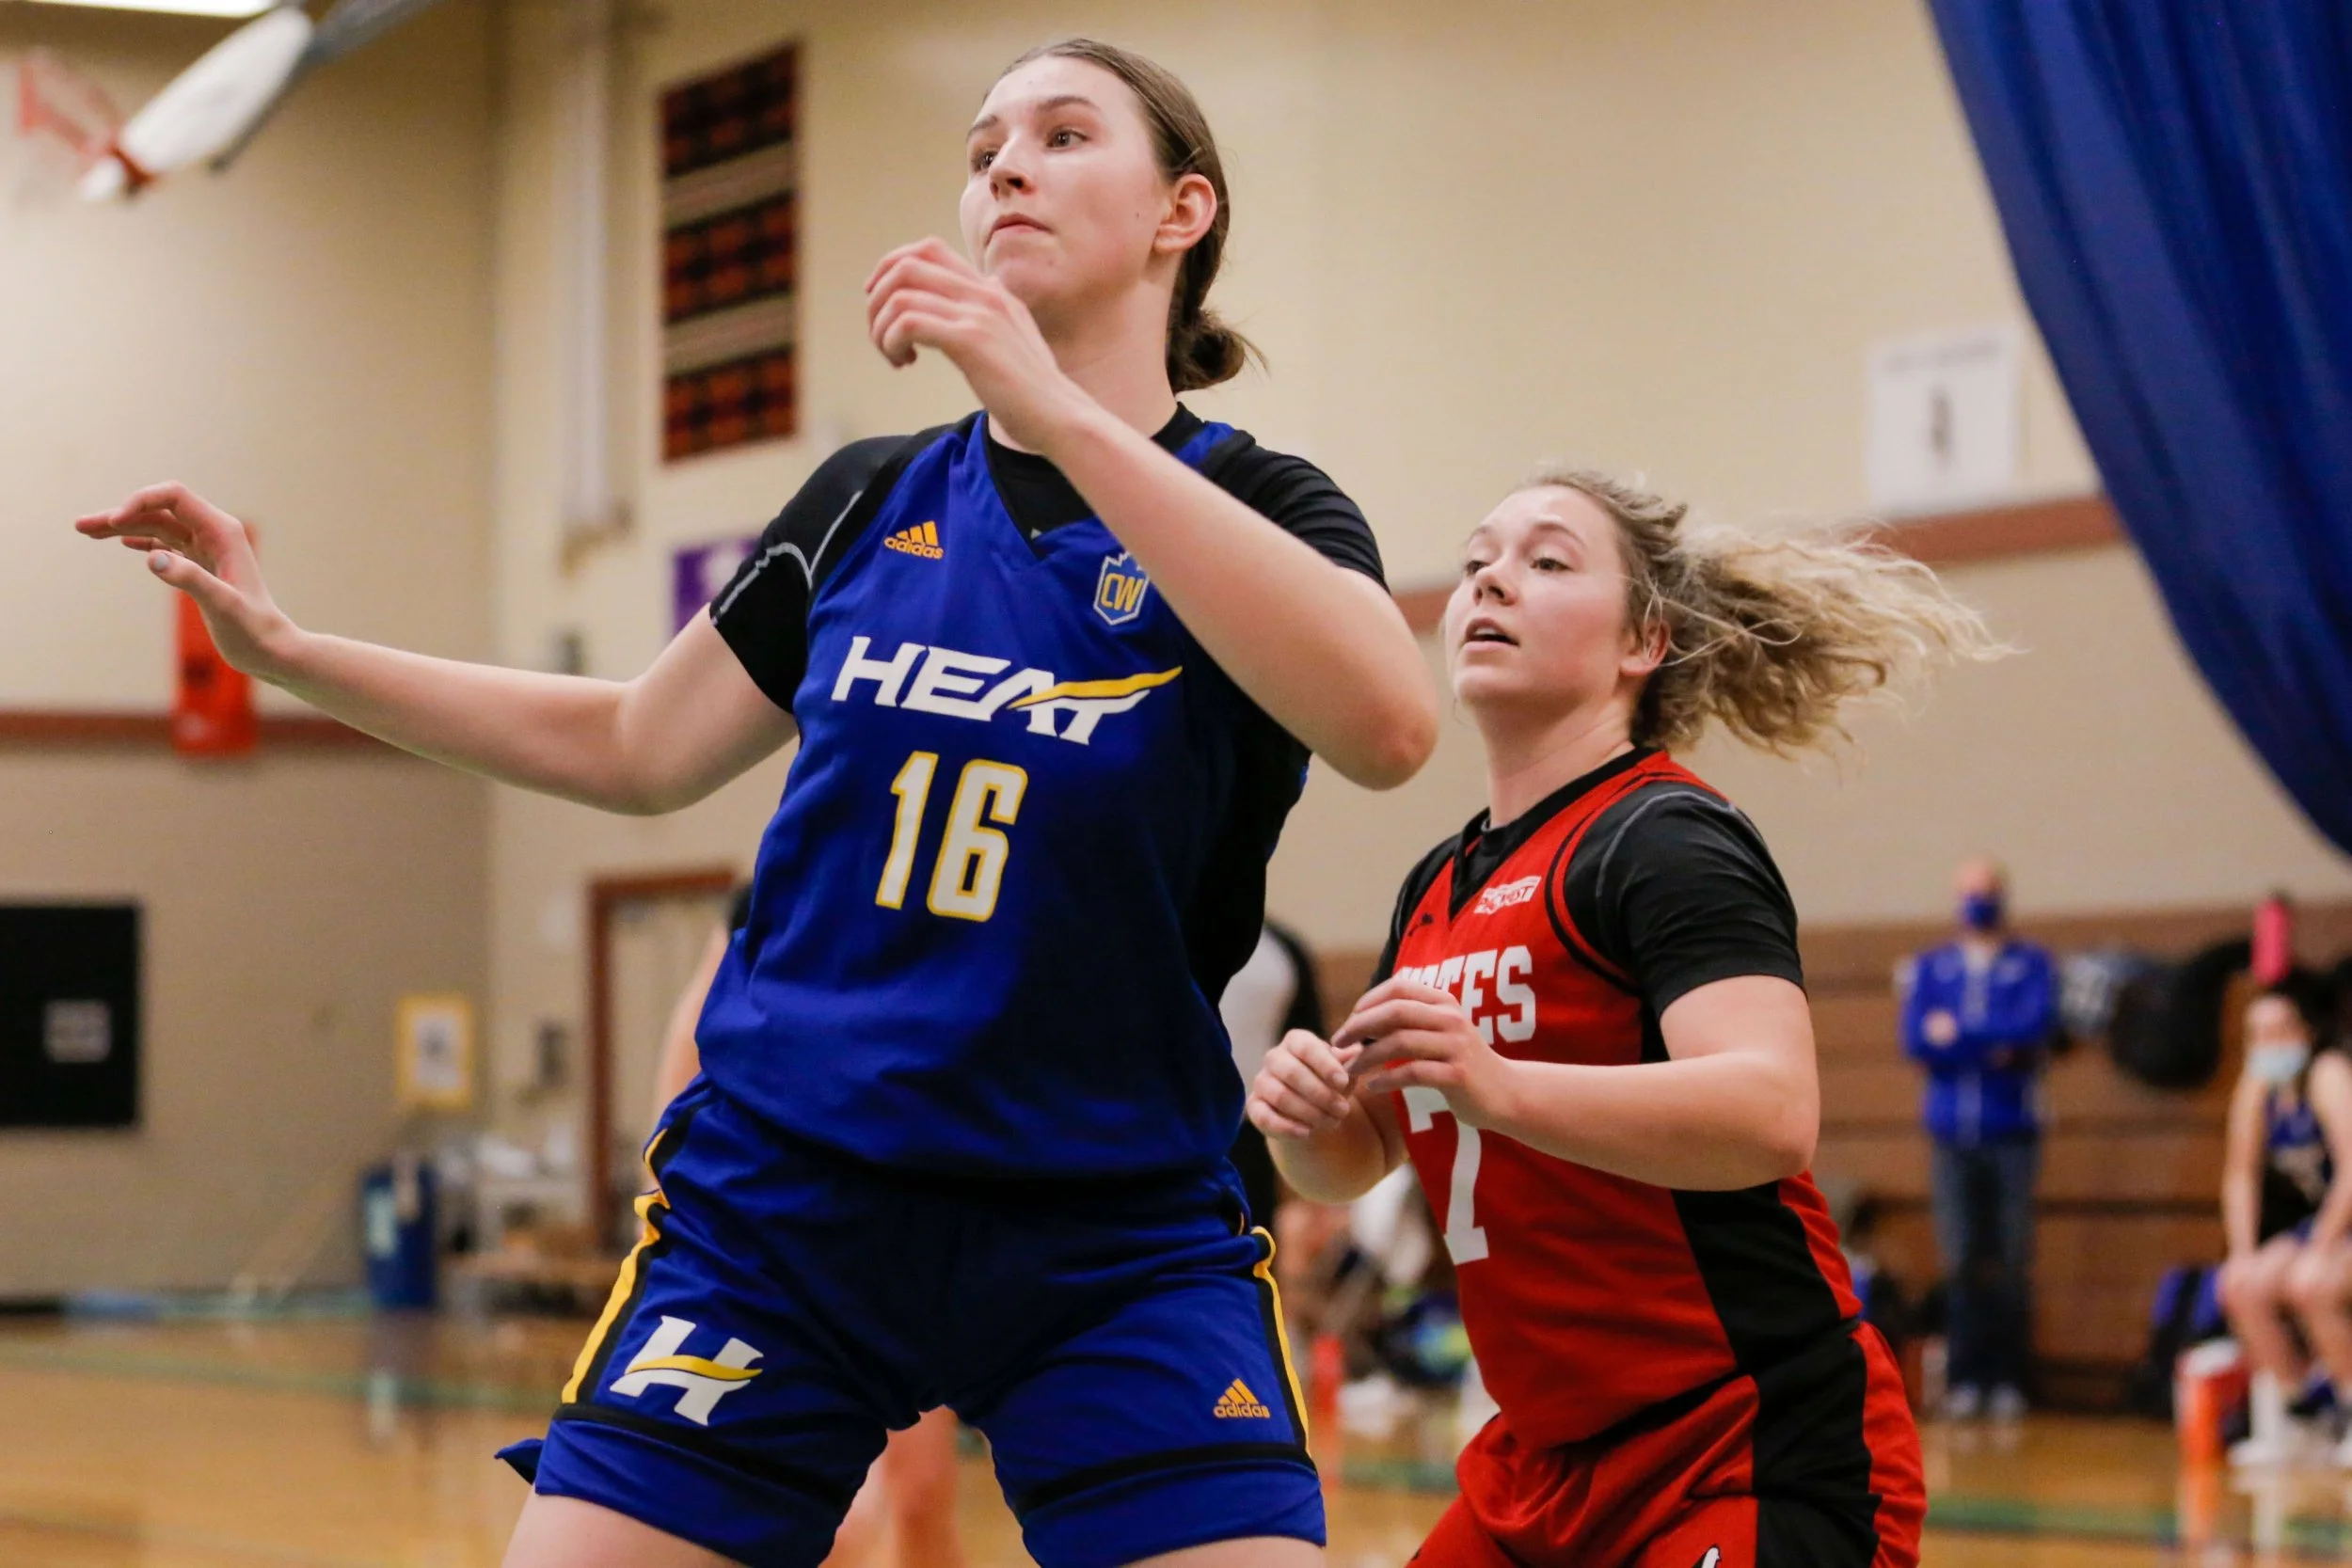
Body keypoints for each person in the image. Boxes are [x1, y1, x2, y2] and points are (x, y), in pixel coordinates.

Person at [79, 37, 1437, 1568]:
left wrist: (1059, 416)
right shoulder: (868, 498)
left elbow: (1387, 725)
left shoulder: (1265, 509)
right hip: (788, 1210)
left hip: (1110, 1227)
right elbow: (631, 747)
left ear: (1183, 213)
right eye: (986, 141)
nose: (1005, 163)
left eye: (1064, 135)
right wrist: (300, 657)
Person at [1248, 468, 1995, 1567]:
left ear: (1642, 639)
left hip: (1743, 1440)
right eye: (1475, 562)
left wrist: (1495, 1083)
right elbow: (1359, 1166)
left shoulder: (1664, 837)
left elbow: (1770, 1110)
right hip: (1541, 1460)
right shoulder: (1436, 886)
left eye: (1545, 560)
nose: (1492, 578)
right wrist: (1312, 1123)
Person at [644, 889, 965, 1567]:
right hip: (780, 1253)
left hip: (915, 1246)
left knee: (922, 1495)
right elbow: (685, 1069)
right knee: (814, 1516)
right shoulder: (774, 905)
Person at [1897, 857, 2057, 1420]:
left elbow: (2032, 1030)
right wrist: (1988, 1045)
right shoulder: (1933, 969)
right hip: (1950, 1136)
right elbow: (1918, 1040)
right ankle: (1966, 1379)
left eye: (1985, 891)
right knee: (1961, 1260)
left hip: (2012, 1133)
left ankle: (2010, 1379)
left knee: (2012, 1259)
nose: (1977, 900)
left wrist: (1960, 1034)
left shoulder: (2030, 963)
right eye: (1967, 891)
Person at [2217, 971, 2352, 1466]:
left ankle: (2348, 1406)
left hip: (2342, 1217)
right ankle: (2301, 1417)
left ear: (2307, 1031)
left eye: (2280, 1031)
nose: (2268, 1044)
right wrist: (2243, 1251)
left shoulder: (2328, 1072)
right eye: (2257, 1034)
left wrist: (2321, 1247)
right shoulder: (2260, 1084)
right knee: (2240, 1285)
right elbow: (2240, 1174)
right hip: (2320, 1221)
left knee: (2312, 1284)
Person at [1218, 922, 1325, 1230]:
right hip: (1153, 1136)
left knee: (1252, 1257)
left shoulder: (1281, 951)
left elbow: (1309, 1046)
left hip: (1252, 1138)